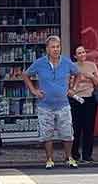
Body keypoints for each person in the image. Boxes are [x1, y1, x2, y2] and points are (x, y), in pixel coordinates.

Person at [23, 35, 81, 168]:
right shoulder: (40, 63)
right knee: (46, 134)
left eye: (58, 47)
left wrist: (74, 88)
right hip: (45, 105)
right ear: (47, 49)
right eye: (53, 47)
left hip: (63, 104)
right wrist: (34, 90)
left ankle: (69, 157)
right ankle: (49, 159)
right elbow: (26, 75)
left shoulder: (66, 62)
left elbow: (78, 73)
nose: (56, 49)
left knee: (67, 133)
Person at [69, 44, 98, 164]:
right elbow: (68, 83)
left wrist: (90, 76)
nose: (82, 55)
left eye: (83, 52)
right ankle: (74, 154)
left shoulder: (91, 65)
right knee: (76, 128)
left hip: (89, 98)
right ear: (75, 56)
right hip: (76, 98)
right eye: (79, 53)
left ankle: (87, 155)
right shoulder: (72, 67)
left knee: (89, 127)